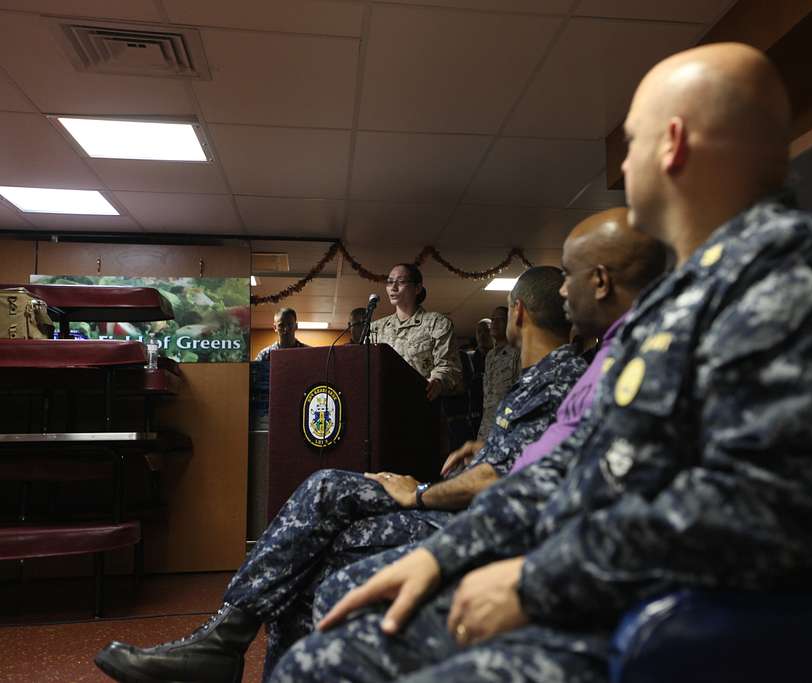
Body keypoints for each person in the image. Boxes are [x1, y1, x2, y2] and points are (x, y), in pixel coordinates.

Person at [268, 42, 812, 683]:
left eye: (633, 141)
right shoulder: (677, 300)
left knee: (329, 666)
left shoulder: (803, 279)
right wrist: (446, 554)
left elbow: (764, 509)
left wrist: (536, 581)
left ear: (672, 143)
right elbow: (576, 458)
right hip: (600, 583)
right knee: (328, 644)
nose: (623, 164)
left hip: (679, 627)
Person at [94, 266, 588, 683]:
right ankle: (228, 643)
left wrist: (418, 493)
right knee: (313, 546)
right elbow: (523, 456)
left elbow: (508, 478)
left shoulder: (562, 377)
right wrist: (485, 449)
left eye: (401, 281)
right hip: (466, 502)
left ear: (517, 313)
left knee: (326, 493)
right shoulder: (539, 380)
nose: (393, 288)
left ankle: (224, 640)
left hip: (477, 520)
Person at [370, 263, 463, 401]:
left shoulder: (436, 323)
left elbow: (449, 366)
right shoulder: (376, 328)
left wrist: (437, 381)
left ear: (417, 288)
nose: (393, 288)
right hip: (385, 405)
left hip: (421, 405)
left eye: (401, 282)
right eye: (390, 282)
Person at [476, 306, 520, 441]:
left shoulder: (517, 352)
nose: (494, 323)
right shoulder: (489, 356)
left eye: (499, 319)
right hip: (486, 426)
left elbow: (519, 394)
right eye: (493, 319)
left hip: (506, 426)